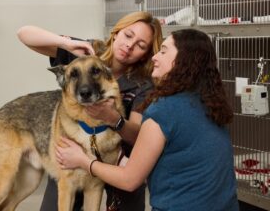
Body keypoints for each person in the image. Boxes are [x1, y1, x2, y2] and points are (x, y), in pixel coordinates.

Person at [56, 29, 239, 211]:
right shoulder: (210, 105)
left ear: (182, 60)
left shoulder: (163, 111)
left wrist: (83, 161)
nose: (154, 57)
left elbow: (129, 180)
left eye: (164, 51)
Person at [17, 11, 163, 211]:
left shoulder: (143, 83)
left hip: (117, 163)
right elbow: (24, 33)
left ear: (146, 54)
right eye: (128, 35)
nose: (129, 46)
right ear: (116, 32)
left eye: (141, 45)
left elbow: (138, 136)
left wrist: (114, 119)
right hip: (72, 155)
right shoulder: (86, 52)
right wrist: (65, 43)